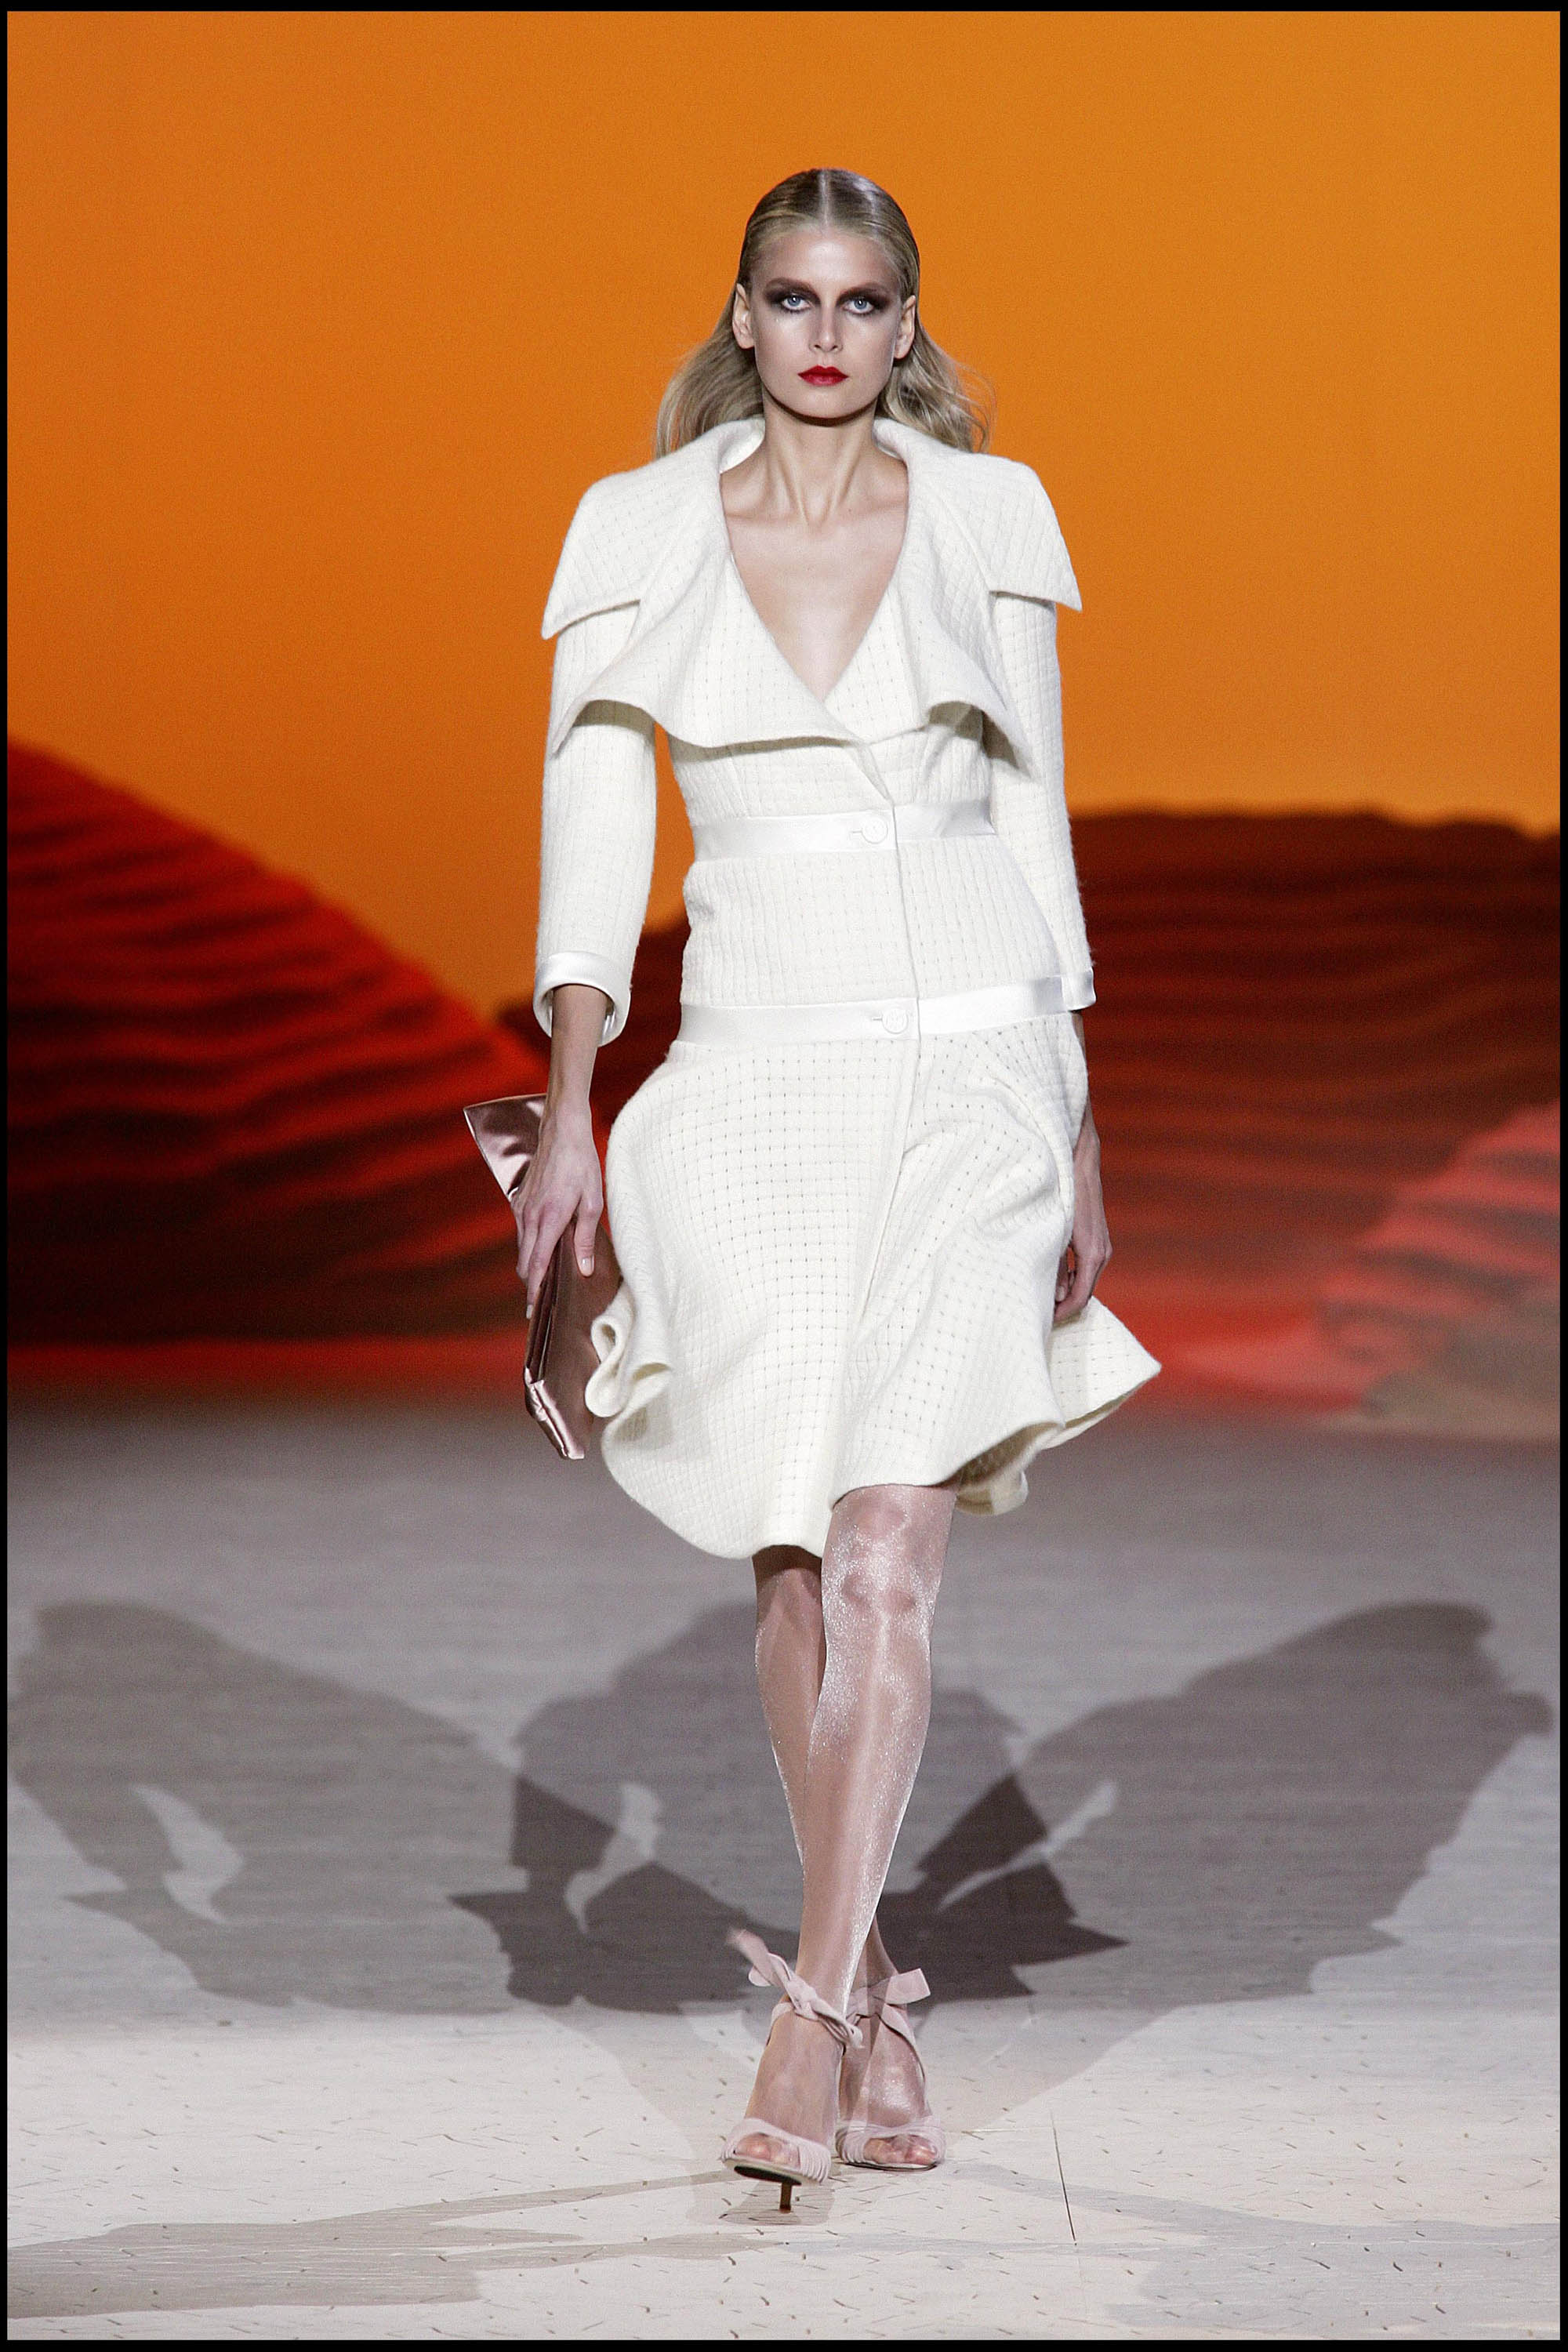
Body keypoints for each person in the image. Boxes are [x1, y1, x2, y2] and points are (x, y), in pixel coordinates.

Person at [517, 167, 1159, 2201]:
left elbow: (1036, 816)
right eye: (791, 299)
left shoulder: (989, 512)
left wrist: (1075, 1110)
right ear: (742, 312)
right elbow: (592, 822)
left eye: (862, 302)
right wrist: (572, 1102)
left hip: (971, 1062)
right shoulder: (634, 528)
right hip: (753, 1082)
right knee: (794, 1556)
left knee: (891, 1549)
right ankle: (870, 1980)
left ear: (905, 324)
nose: (824, 335)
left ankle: (803, 2016)